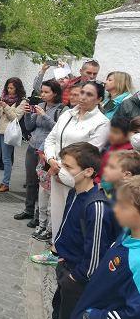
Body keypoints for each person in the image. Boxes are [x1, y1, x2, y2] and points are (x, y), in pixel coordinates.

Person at [51, 142, 120, 319]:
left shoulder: (96, 207)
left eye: (68, 167)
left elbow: (95, 257)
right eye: (62, 164)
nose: (62, 170)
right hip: (66, 265)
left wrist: (75, 278)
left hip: (78, 278)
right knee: (58, 314)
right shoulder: (74, 192)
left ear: (88, 171)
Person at [71, 176, 140, 319]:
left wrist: (93, 318)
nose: (114, 209)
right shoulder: (126, 234)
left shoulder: (137, 260)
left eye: (122, 206)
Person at [44, 82, 110, 241]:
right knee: (57, 211)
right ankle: (55, 247)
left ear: (99, 99)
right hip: (56, 169)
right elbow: (51, 139)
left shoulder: (102, 122)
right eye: (82, 92)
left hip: (77, 177)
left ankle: (63, 254)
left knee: (71, 216)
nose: (83, 97)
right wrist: (51, 159)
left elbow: (89, 153)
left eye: (89, 95)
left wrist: (60, 168)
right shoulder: (67, 114)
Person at [14, 79, 66, 226]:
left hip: (46, 152)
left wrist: (44, 115)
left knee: (44, 184)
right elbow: (30, 126)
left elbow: (58, 130)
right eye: (42, 91)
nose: (42, 94)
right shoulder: (40, 105)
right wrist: (27, 115)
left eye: (46, 92)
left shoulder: (61, 109)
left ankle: (39, 215)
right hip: (32, 146)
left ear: (55, 93)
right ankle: (28, 209)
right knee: (30, 180)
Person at [96, 117, 133, 195]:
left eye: (116, 132)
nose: (111, 135)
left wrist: (101, 185)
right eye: (111, 131)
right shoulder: (113, 146)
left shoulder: (128, 153)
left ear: (128, 135)